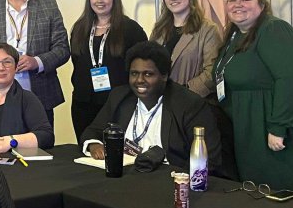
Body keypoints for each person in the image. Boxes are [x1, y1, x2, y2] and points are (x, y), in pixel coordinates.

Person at [214, 0, 293, 190]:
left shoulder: (274, 30)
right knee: (259, 192)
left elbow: (290, 79)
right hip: (251, 124)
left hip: (282, 126)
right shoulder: (235, 35)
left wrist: (278, 127)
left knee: (285, 194)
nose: (238, 4)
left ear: (262, 5)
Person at [80, 41, 221, 170]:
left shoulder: (189, 104)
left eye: (148, 74)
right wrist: (94, 144)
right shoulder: (120, 97)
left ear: (164, 76)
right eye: (134, 73)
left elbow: (208, 160)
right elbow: (93, 130)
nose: (139, 80)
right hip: (126, 177)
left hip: (167, 179)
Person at [70, 0, 147, 139]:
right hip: (83, 105)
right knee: (86, 150)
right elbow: (77, 63)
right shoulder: (79, 28)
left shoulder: (131, 29)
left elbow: (143, 67)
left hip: (119, 105)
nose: (100, 0)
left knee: (115, 153)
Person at [150, 0, 221, 98]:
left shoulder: (208, 29)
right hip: (159, 99)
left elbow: (212, 71)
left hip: (191, 101)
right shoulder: (158, 30)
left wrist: (185, 91)